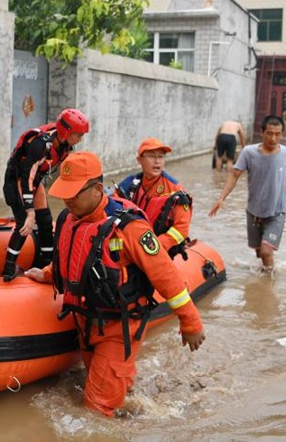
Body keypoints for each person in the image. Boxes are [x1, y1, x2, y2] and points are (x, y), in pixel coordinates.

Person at [25, 151, 205, 418]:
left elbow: (166, 275)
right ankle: (130, 402)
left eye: (75, 193)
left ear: (98, 189)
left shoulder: (129, 227)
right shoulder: (68, 219)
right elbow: (73, 258)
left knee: (97, 409)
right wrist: (49, 273)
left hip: (118, 327)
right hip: (84, 322)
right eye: (65, 192)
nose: (67, 200)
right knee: (100, 391)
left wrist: (190, 322)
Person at [207, 115, 286, 272]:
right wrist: (221, 198)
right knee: (259, 253)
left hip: (277, 213)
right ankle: (264, 276)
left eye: (277, 134)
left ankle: (268, 287)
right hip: (254, 212)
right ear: (262, 133)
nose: (273, 138)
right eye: (269, 133)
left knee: (265, 252)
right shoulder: (249, 152)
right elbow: (235, 175)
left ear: (282, 135)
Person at [1, 108, 89, 281]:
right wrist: (30, 211)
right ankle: (8, 268)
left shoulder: (64, 144)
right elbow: (27, 176)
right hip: (18, 180)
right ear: (67, 132)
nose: (80, 139)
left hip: (34, 182)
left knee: (46, 223)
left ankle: (46, 263)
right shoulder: (40, 144)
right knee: (23, 225)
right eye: (78, 135)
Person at [114, 138, 193, 260]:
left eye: (161, 157)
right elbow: (111, 208)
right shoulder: (128, 185)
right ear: (139, 160)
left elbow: (181, 229)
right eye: (152, 156)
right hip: (131, 245)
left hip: (159, 250)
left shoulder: (175, 190)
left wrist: (154, 247)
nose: (157, 161)